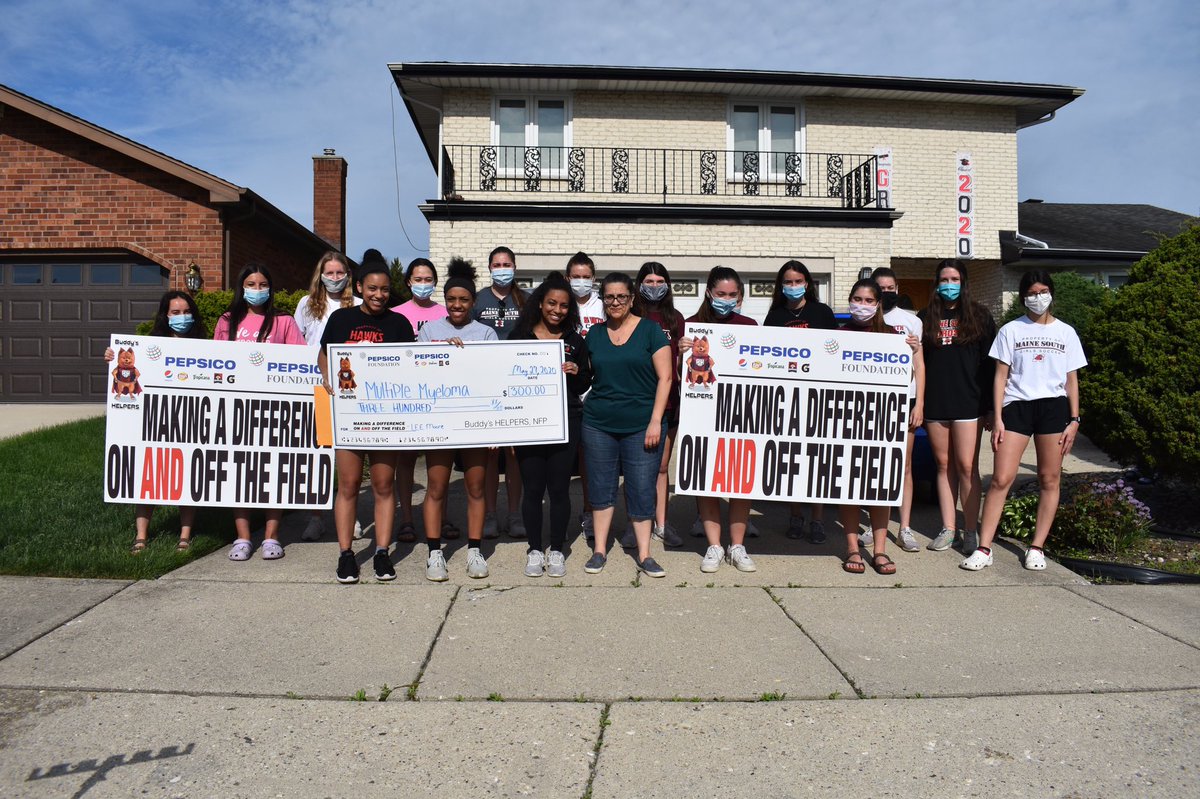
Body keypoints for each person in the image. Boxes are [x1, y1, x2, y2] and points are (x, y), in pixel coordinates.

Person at [962, 271, 1086, 571]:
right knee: (1001, 479)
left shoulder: (1066, 332)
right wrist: (999, 418)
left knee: (1049, 478)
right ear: (1023, 297)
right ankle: (984, 547)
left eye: (1043, 291)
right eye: (1031, 292)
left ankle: (1036, 547)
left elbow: (1072, 380)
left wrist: (1074, 420)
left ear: (1052, 294)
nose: (1038, 297)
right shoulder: (1010, 331)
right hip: (1016, 407)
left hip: (1053, 410)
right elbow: (1000, 377)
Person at [319, 250, 416, 583]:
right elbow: (324, 356)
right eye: (372, 288)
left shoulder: (399, 324)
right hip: (348, 415)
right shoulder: (341, 320)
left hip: (385, 418)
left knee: (383, 485)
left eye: (385, 289)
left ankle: (381, 553)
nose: (379, 295)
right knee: (347, 485)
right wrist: (327, 379)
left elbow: (412, 368)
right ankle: (346, 554)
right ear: (359, 287)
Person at [582, 272, 673, 577]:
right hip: (598, 423)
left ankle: (645, 555)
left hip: (641, 425)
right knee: (601, 488)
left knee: (641, 489)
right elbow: (585, 375)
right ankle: (599, 551)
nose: (616, 302)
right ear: (602, 299)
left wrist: (656, 421)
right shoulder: (594, 335)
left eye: (622, 296)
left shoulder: (651, 331)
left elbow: (666, 378)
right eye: (609, 297)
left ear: (632, 298)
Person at [214, 263, 306, 562]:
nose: (257, 290)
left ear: (271, 287)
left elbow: (300, 363)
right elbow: (215, 362)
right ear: (242, 287)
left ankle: (271, 536)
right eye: (251, 284)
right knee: (239, 471)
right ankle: (242, 537)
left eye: (262, 284)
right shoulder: (227, 321)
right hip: (236, 408)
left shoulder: (284, 321)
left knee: (273, 472)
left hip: (274, 410)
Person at [105, 291, 207, 554]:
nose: (182, 317)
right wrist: (112, 356)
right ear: (165, 315)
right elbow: (127, 372)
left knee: (187, 477)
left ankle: (185, 535)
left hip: (190, 420)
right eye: (175, 313)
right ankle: (141, 536)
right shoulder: (150, 347)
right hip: (155, 422)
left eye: (187, 312)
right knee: (146, 478)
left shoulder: (205, 345)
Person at [508, 272, 593, 577]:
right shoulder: (519, 336)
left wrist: (575, 371)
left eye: (564, 306)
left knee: (558, 489)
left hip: (566, 421)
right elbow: (503, 377)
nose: (558, 310)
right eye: (552, 304)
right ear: (540, 304)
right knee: (532, 489)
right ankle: (534, 549)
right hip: (528, 423)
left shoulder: (574, 340)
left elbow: (587, 379)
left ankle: (556, 549)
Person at [419, 259, 499, 581]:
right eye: (451, 299)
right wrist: (442, 353)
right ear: (445, 299)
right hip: (440, 423)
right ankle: (434, 552)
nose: (456, 305)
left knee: (475, 488)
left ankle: (474, 549)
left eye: (463, 299)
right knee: (436, 487)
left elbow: (493, 377)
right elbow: (417, 373)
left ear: (473, 301)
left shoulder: (486, 332)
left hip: (475, 423)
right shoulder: (429, 330)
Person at [678, 266, 759, 573]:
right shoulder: (692, 326)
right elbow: (678, 378)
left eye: (732, 295)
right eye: (721, 294)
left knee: (740, 482)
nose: (726, 299)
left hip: (740, 416)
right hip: (702, 416)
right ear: (709, 293)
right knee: (706, 479)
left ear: (740, 296)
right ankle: (714, 546)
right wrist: (680, 352)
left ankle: (737, 546)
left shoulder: (750, 325)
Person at [918, 259, 998, 555]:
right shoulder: (925, 316)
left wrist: (990, 407)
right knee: (943, 466)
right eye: (943, 279)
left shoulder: (980, 316)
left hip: (969, 403)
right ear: (936, 283)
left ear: (963, 282)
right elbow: (919, 363)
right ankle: (948, 528)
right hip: (936, 403)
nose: (948, 284)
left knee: (967, 466)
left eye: (954, 279)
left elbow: (992, 366)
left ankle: (971, 530)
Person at [763, 259, 837, 544]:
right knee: (792, 461)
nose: (793, 287)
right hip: (788, 399)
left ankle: (817, 519)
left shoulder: (822, 312)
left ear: (808, 283)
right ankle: (795, 516)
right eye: (788, 282)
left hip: (818, 397)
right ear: (781, 286)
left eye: (798, 281)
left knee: (816, 460)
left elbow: (835, 352)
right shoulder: (775, 315)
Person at [855, 266, 926, 553]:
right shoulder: (868, 319)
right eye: (880, 288)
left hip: (904, 401)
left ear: (897, 289)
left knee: (904, 465)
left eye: (890, 287)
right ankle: (874, 526)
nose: (886, 292)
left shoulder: (911, 322)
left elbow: (919, 364)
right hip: (870, 402)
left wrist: (920, 402)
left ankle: (905, 527)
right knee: (872, 464)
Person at [294, 251, 362, 542]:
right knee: (319, 454)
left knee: (350, 456)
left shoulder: (358, 304)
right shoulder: (307, 306)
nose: (335, 278)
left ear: (348, 275)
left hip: (350, 389)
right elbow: (296, 345)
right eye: (329, 273)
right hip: (317, 388)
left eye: (339, 273)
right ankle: (316, 516)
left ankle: (353, 515)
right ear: (320, 275)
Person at [837, 279, 901, 575]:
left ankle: (879, 550)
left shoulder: (892, 336)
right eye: (857, 299)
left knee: (880, 488)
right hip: (844, 421)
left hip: (880, 423)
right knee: (849, 488)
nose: (861, 305)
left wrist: (912, 351)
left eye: (868, 300)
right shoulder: (837, 335)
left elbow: (907, 379)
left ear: (878, 304)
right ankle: (852, 547)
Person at [391, 258, 450, 545]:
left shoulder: (445, 312)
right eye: (418, 279)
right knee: (407, 459)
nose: (423, 284)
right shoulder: (396, 314)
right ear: (408, 282)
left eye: (428, 279)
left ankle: (443, 515)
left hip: (441, 397)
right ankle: (406, 519)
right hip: (407, 396)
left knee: (442, 460)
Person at [472, 246, 526, 540]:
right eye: (496, 264)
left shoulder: (525, 300)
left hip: (517, 385)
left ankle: (515, 514)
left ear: (514, 267)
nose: (502, 268)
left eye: (506, 263)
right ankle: (491, 514)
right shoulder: (478, 300)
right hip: (486, 386)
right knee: (490, 454)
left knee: (515, 454)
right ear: (489, 267)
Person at [630, 261, 685, 548]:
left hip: (670, 402)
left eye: (659, 281)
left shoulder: (675, 318)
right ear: (639, 284)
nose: (654, 286)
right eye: (648, 281)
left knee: (662, 467)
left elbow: (680, 365)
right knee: (637, 468)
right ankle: (638, 522)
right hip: (638, 400)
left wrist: (686, 352)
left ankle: (662, 524)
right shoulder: (631, 314)